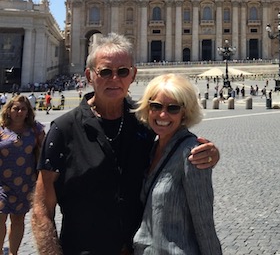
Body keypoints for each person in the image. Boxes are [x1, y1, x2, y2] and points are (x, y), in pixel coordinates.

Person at [31, 33, 219, 255]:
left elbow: (176, 143)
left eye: (122, 72)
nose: (114, 79)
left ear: (133, 75)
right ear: (89, 75)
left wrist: (211, 153)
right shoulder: (63, 129)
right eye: (105, 72)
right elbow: (42, 207)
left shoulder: (145, 123)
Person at [133, 74, 222, 254]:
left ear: (184, 113)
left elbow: (204, 222)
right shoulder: (149, 149)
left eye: (173, 108)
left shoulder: (193, 154)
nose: (163, 114)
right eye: (156, 106)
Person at [0, 95, 45, 255]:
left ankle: (14, 252)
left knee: (18, 220)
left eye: (23, 109)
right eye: (16, 108)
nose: (19, 112)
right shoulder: (1, 128)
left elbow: (45, 151)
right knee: (0, 218)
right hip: (1, 183)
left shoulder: (35, 129)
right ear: (9, 110)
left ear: (28, 112)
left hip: (24, 182)